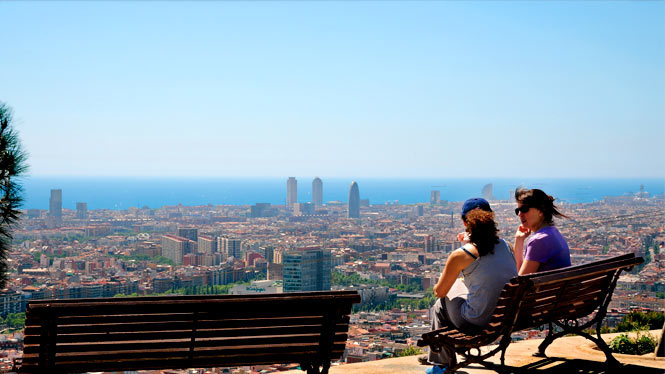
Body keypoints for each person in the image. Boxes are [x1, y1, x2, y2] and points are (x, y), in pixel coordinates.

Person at [426, 198, 517, 373]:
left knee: (441, 304)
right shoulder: (507, 246)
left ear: (464, 222)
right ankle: (442, 358)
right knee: (460, 287)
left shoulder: (462, 254)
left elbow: (440, 291)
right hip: (505, 319)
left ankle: (440, 364)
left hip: (477, 322)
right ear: (491, 218)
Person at [512, 187, 571, 275]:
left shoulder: (539, 240)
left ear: (541, 211)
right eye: (518, 210)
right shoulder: (553, 233)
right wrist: (519, 239)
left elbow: (520, 282)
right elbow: (521, 275)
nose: (520, 214)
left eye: (524, 209)